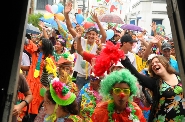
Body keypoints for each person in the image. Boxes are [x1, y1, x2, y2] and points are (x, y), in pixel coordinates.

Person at [121, 54, 185, 121]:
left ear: (165, 63)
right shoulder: (154, 82)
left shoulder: (179, 76)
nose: (154, 64)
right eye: (152, 64)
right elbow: (137, 75)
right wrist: (125, 60)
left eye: (157, 62)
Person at [64, 2, 107, 90]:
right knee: (78, 97)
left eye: (93, 34)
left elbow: (105, 36)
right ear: (86, 35)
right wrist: (66, 14)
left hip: (92, 77)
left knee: (89, 99)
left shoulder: (98, 45)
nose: (91, 36)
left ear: (96, 36)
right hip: (79, 76)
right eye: (90, 34)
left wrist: (97, 21)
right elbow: (70, 28)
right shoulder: (81, 40)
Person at [24, 37, 53, 120]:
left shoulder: (49, 59)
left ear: (45, 46)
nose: (39, 44)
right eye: (39, 42)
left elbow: (51, 74)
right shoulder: (35, 52)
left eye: (41, 43)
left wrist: (47, 87)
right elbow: (27, 42)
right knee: (26, 101)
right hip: (30, 82)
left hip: (39, 85)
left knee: (35, 105)